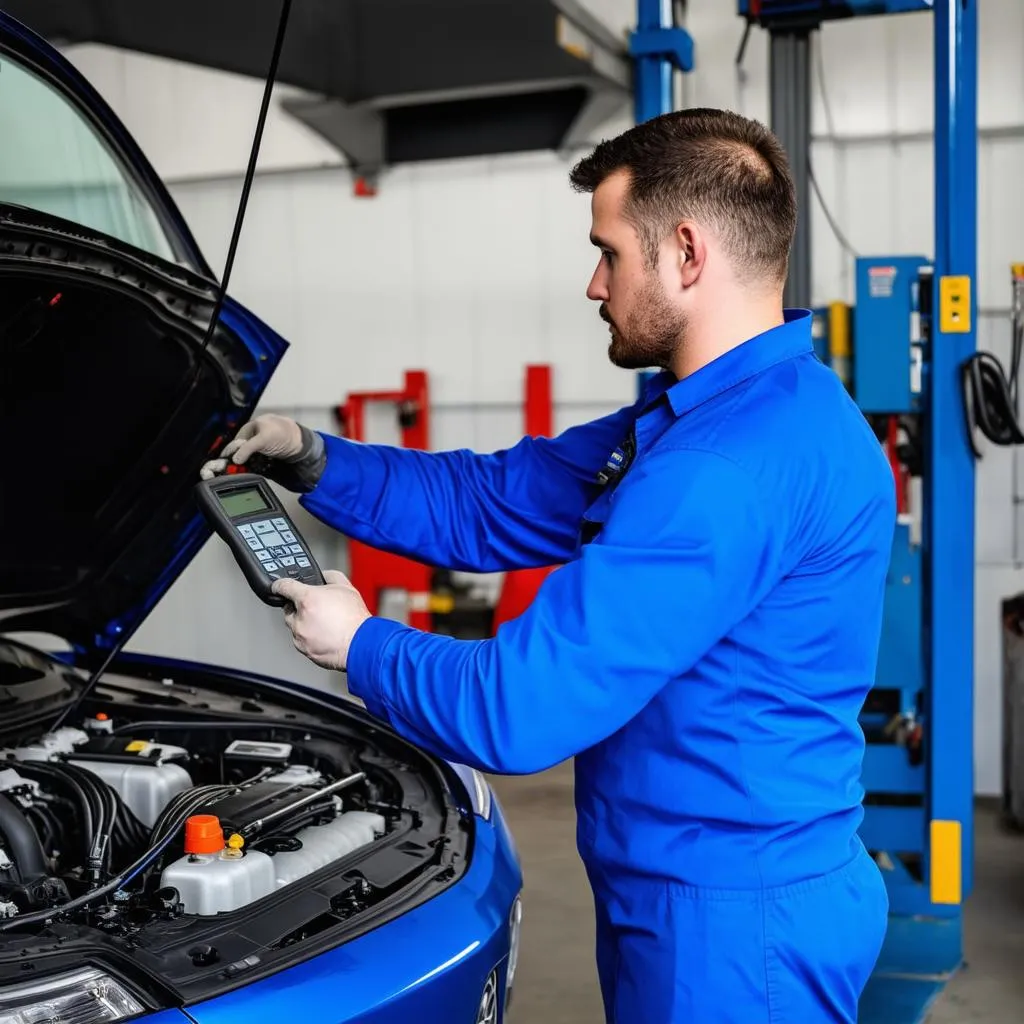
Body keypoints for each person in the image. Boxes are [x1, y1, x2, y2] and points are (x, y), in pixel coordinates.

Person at [201, 108, 896, 1023]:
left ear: (687, 253)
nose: (593, 282)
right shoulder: (735, 413)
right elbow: (493, 500)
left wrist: (361, 643)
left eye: (610, 251)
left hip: (729, 926)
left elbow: (522, 706)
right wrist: (315, 458)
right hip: (720, 886)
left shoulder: (722, 470)